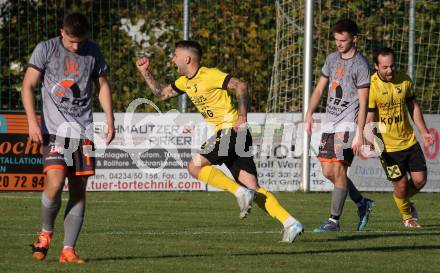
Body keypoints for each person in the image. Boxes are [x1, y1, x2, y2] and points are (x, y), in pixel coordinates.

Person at [136, 40, 303, 243]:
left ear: (187, 59)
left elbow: (240, 84)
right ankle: (290, 223)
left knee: (194, 166)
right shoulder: (185, 82)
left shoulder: (209, 74)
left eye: (175, 55)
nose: (172, 60)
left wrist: (242, 116)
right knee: (254, 188)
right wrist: (145, 72)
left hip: (231, 130)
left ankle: (239, 192)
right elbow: (161, 93)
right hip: (235, 135)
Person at [22, 12, 115, 263]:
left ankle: (68, 250)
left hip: (82, 131)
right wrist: (32, 121)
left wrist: (109, 118)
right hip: (54, 131)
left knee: (78, 190)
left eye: (81, 41)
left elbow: (102, 85)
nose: (76, 46)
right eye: (72, 41)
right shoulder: (46, 49)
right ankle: (45, 234)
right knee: (54, 183)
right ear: (62, 31)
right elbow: (28, 85)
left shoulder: (93, 51)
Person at [305, 19, 374, 232]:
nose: (339, 44)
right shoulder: (332, 59)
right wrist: (308, 114)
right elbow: (318, 90)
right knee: (329, 172)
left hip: (348, 125)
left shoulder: (361, 65)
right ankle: (362, 203)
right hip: (330, 122)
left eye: (343, 40)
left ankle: (334, 221)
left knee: (339, 169)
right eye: (336, 40)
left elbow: (364, 103)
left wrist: (359, 134)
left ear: (355, 39)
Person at [366, 47, 433, 228]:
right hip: (387, 147)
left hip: (409, 141)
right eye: (385, 67)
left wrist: (425, 132)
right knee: (401, 184)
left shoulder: (404, 80)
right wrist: (369, 140)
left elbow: (413, 108)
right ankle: (407, 216)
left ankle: (401, 199)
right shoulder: (371, 85)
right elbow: (370, 117)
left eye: (392, 66)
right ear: (376, 66)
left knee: (420, 180)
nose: (389, 70)